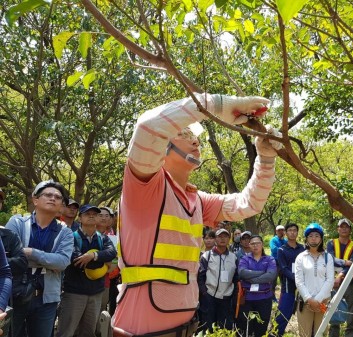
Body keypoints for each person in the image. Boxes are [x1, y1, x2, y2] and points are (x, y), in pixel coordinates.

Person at [111, 93, 280, 336]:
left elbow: (249, 203)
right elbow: (148, 127)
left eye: (195, 136)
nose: (195, 141)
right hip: (139, 328)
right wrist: (217, 106)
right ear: (163, 147)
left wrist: (265, 159)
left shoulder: (196, 199)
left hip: (186, 326)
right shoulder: (144, 186)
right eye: (184, 135)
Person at [6, 180, 74, 337]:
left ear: (61, 205)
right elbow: (9, 259)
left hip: (46, 298)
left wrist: (31, 252)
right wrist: (49, 261)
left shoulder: (65, 232)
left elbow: (63, 262)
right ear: (35, 199)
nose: (53, 198)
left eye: (58, 197)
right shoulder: (17, 223)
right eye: (48, 195)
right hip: (14, 294)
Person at [56, 204, 117, 337]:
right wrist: (103, 261)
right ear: (80, 218)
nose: (91, 216)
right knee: (67, 332)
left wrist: (93, 255)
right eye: (87, 214)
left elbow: (112, 253)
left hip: (96, 293)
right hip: (74, 293)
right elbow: (77, 260)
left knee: (89, 332)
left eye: (94, 214)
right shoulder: (71, 237)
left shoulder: (103, 238)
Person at [295, 223, 334, 337]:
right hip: (305, 301)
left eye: (317, 235)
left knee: (321, 333)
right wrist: (309, 299)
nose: (313, 238)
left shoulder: (327, 257)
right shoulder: (301, 257)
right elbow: (299, 281)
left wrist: (318, 300)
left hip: (323, 301)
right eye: (310, 236)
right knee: (304, 333)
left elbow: (330, 280)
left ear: (321, 238)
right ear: (306, 239)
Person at [198, 228, 238, 333]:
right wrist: (204, 293)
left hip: (226, 298)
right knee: (208, 328)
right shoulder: (207, 256)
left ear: (229, 239)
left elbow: (236, 278)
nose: (222, 239)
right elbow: (200, 276)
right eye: (220, 236)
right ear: (215, 238)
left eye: (225, 236)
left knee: (224, 328)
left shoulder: (233, 257)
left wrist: (233, 294)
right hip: (209, 296)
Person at [237, 235, 277, 337]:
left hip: (264, 298)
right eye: (252, 243)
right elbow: (242, 273)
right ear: (249, 245)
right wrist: (263, 273)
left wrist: (252, 279)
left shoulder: (269, 259)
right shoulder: (245, 258)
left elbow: (271, 275)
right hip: (247, 299)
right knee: (247, 327)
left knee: (261, 328)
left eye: (257, 243)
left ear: (262, 244)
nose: (255, 246)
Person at [327, 218, 353, 337]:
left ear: (350, 230)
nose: (344, 229)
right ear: (338, 229)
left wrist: (341, 275)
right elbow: (330, 259)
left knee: (351, 311)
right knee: (334, 310)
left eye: (346, 227)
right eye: (342, 226)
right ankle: (333, 334)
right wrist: (345, 262)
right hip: (332, 282)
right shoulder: (331, 243)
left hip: (350, 282)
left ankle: (349, 334)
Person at [274, 223, 305, 336]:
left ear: (297, 232)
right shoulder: (281, 250)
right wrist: (296, 278)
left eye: (294, 230)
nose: (292, 232)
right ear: (286, 233)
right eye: (290, 230)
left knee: (304, 311)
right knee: (283, 312)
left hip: (304, 284)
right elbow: (283, 268)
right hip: (288, 284)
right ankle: (275, 334)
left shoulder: (303, 248)